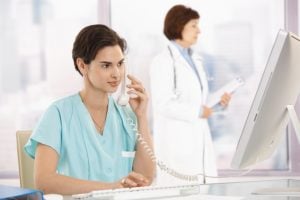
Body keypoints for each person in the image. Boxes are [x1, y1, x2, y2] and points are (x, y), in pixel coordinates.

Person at [24, 24, 155, 195]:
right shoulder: (58, 114)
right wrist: (111, 188)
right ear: (82, 65)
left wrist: (141, 116)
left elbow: (145, 178)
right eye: (106, 65)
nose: (117, 74)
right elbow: (44, 181)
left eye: (120, 64)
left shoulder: (127, 115)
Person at [149, 5, 231, 185]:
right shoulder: (162, 61)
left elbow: (197, 101)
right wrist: (198, 112)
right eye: (194, 25)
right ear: (179, 26)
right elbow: (163, 103)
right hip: (177, 144)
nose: (199, 31)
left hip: (198, 140)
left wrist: (218, 103)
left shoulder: (194, 59)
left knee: (203, 190)